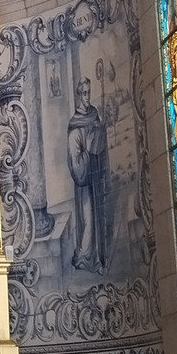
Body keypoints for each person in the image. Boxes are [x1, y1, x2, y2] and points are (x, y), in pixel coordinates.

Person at [66, 77, 109, 273]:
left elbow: (101, 144)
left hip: (97, 172)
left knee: (99, 215)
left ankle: (101, 259)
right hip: (85, 179)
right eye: (83, 93)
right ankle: (84, 256)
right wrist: (89, 146)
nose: (87, 97)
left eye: (89, 92)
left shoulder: (94, 115)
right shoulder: (74, 125)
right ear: (78, 95)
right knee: (88, 219)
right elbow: (75, 159)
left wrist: (100, 132)